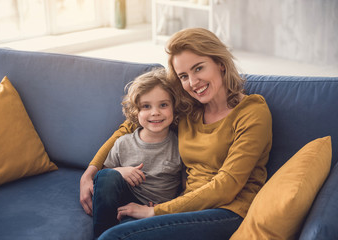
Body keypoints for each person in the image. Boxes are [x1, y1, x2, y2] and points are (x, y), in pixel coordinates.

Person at [80, 28, 272, 240]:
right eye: (183, 76)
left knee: (115, 237)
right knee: (111, 207)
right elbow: (131, 125)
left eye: (198, 68)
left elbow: (226, 186)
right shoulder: (189, 109)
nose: (193, 82)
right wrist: (89, 174)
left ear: (220, 63)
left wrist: (156, 211)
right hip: (185, 205)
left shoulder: (252, 112)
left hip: (227, 211)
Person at [91, 68, 184, 237]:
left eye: (163, 105)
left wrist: (161, 209)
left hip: (156, 211)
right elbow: (103, 177)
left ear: (174, 107)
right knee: (108, 176)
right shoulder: (123, 143)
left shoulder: (180, 145)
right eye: (146, 106)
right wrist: (120, 171)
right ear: (136, 111)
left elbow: (186, 189)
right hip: (123, 201)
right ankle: (101, 234)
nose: (155, 112)